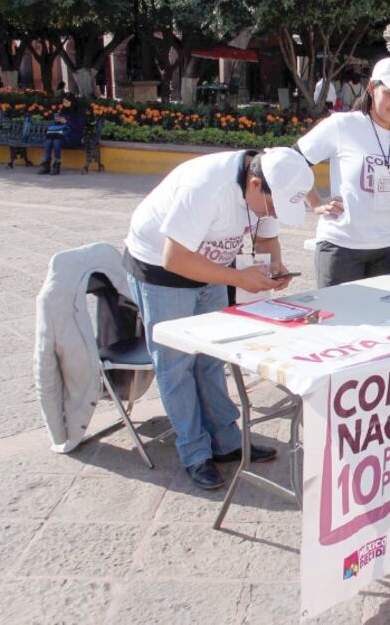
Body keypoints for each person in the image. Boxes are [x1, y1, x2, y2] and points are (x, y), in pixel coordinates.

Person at [123, 148, 315, 489]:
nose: (273, 214)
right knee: (176, 366)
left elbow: (267, 236)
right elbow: (174, 258)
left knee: (212, 358)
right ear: (254, 184)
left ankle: (227, 442)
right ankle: (195, 453)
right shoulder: (206, 187)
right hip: (161, 272)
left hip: (210, 267)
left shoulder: (269, 183)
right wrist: (238, 278)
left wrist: (274, 265)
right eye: (273, 207)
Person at [297, 57, 390, 288]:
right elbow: (293, 162)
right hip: (343, 249)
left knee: (384, 312)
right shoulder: (342, 125)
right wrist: (315, 202)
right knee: (339, 312)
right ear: (371, 88)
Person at [38, 94, 85, 176]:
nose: (64, 104)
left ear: (72, 102)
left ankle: (56, 166)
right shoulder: (63, 111)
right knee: (49, 141)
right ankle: (46, 165)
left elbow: (79, 128)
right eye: (64, 102)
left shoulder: (78, 112)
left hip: (73, 138)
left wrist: (67, 122)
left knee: (56, 142)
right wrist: (57, 120)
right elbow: (58, 126)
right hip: (62, 135)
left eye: (67, 102)